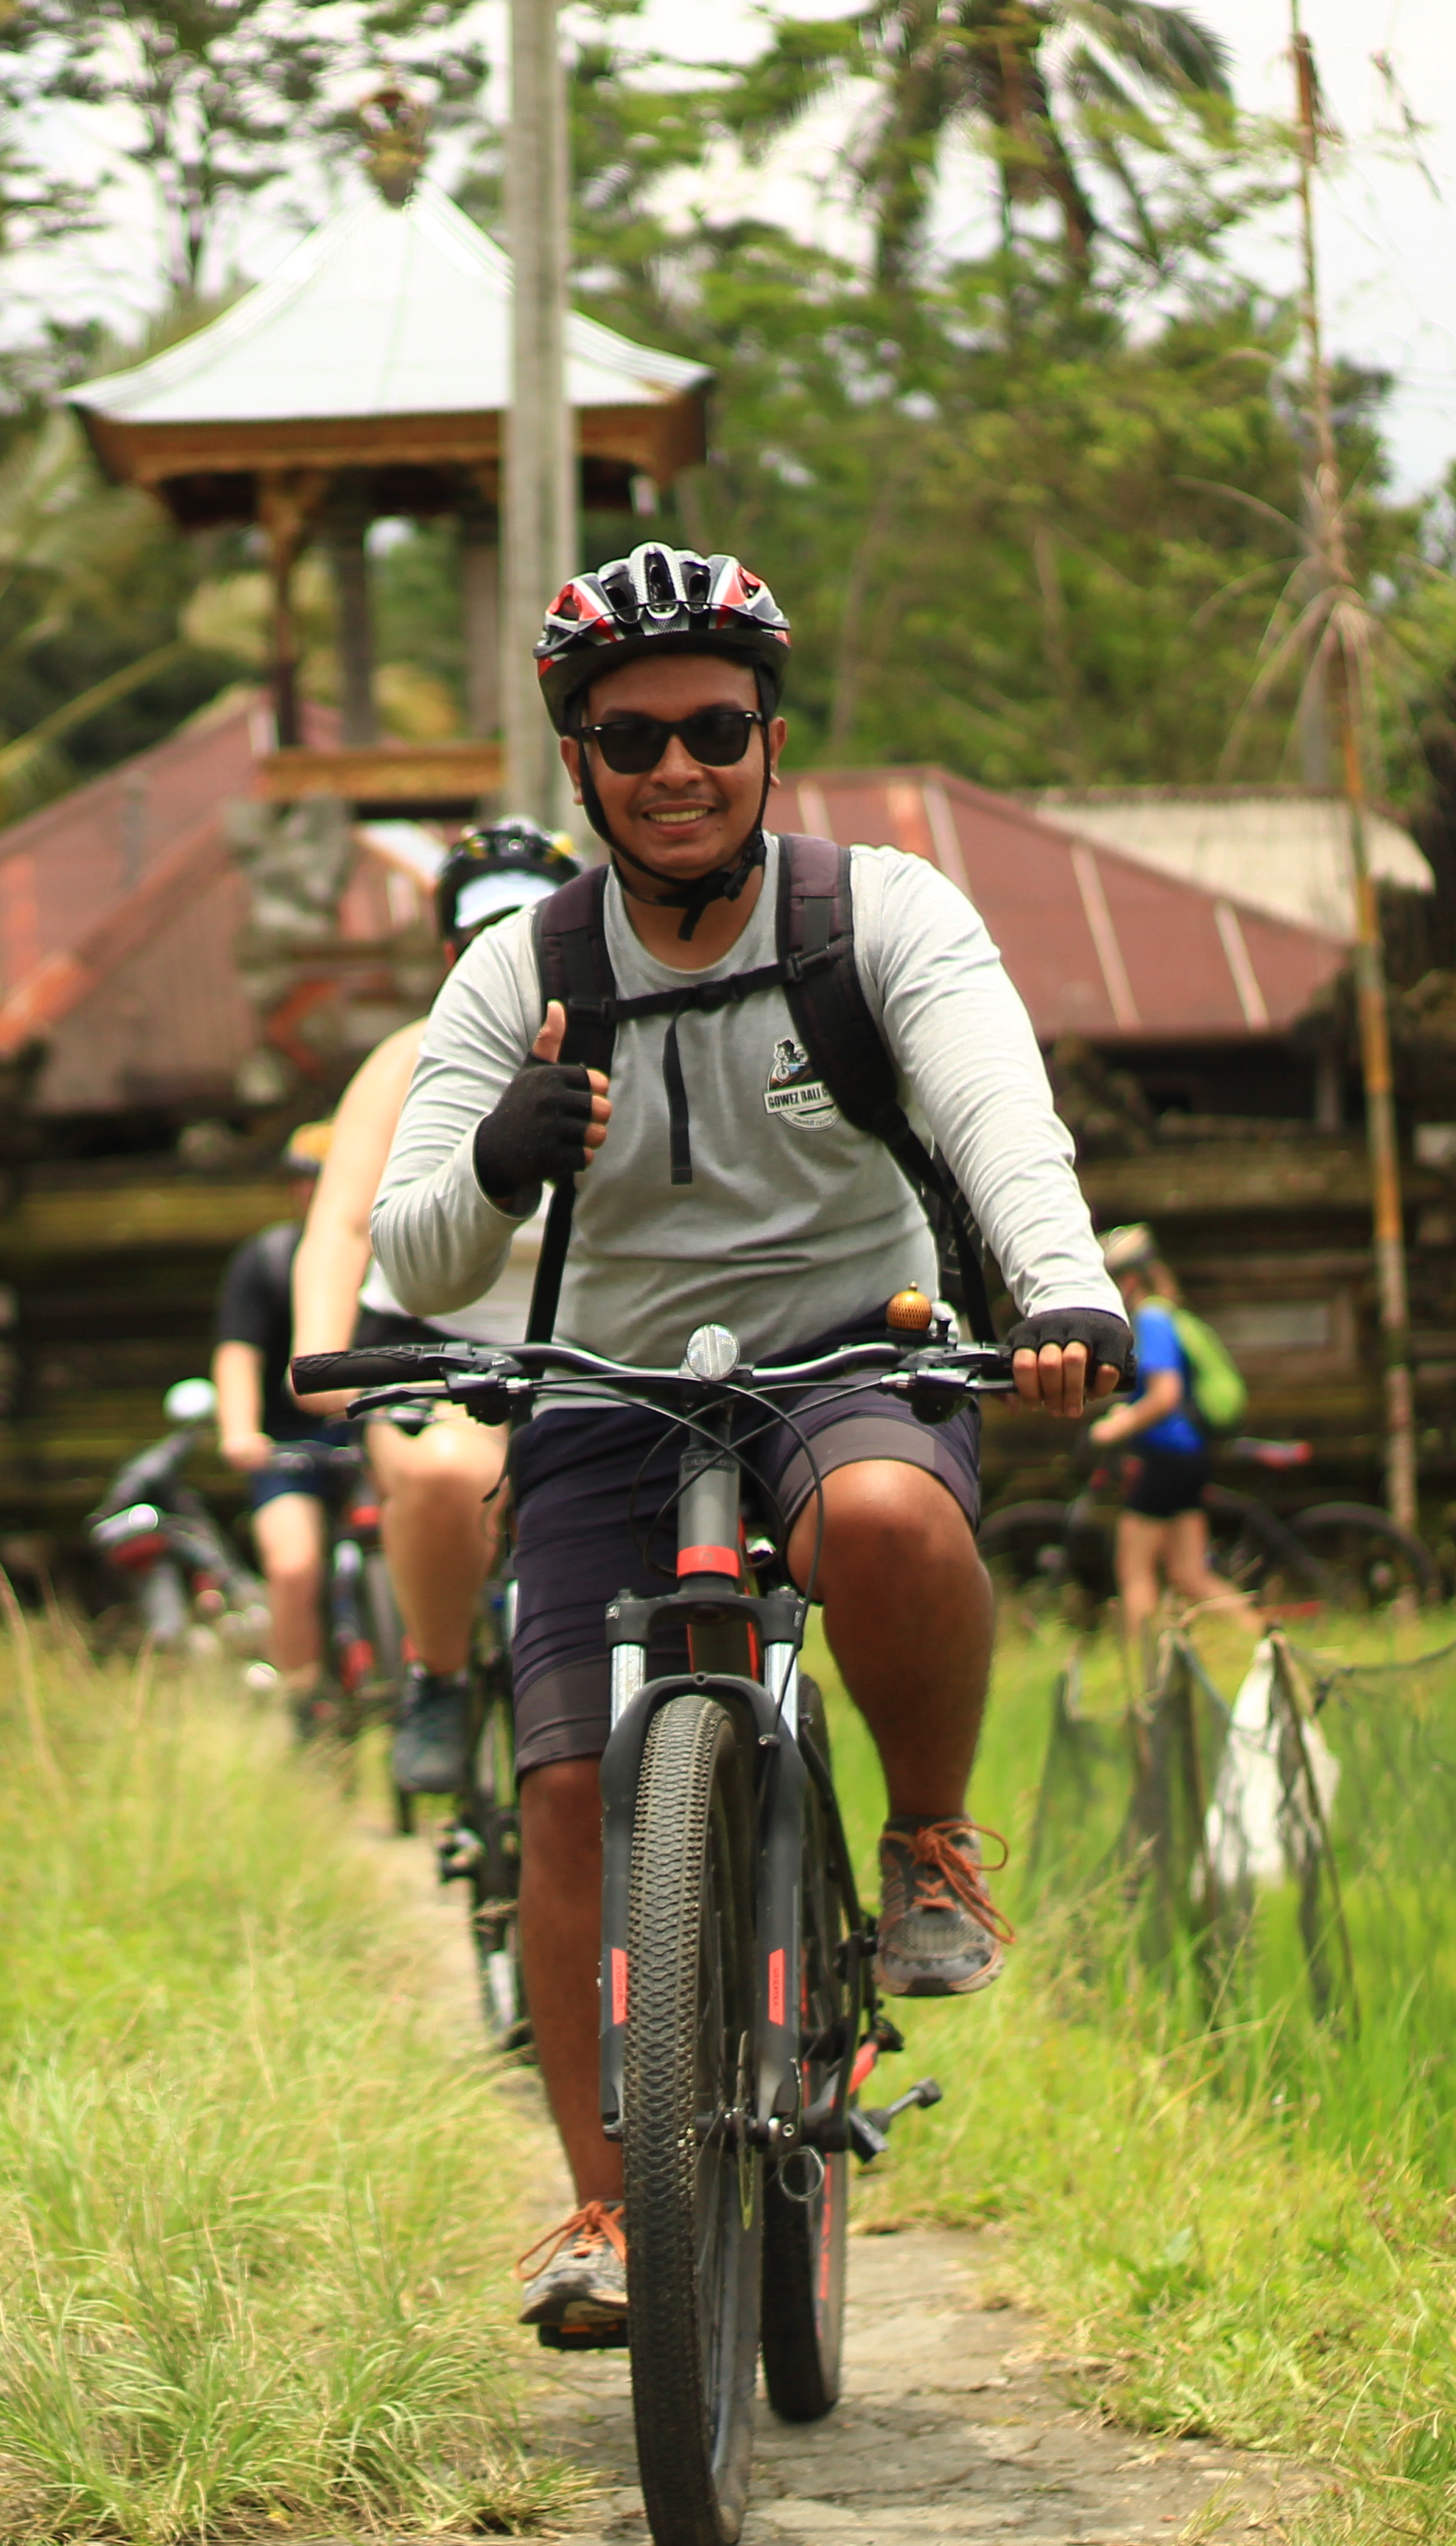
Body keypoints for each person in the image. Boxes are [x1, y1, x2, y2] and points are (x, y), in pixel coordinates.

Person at [366, 543, 1129, 2337]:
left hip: (843, 1349)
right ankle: (602, 2211)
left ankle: (928, 1837)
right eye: (632, 740)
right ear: (579, 768)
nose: (677, 769)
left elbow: (999, 1116)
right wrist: (492, 1158)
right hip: (601, 1388)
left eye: (715, 727)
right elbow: (414, 1252)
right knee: (562, 1786)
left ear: (770, 738)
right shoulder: (515, 970)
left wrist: (1060, 1291)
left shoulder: (879, 917)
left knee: (876, 1515)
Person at [291, 822, 580, 1796]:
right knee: (448, 1478)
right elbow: (341, 1226)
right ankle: (441, 1676)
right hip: (433, 1345)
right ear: (451, 951)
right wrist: (317, 1354)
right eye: (482, 934)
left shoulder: (633, 1042)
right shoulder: (407, 1060)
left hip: (591, 1339)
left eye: (527, 931)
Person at [211, 1126, 347, 1702]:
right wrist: (241, 1432)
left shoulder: (395, 1256)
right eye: (306, 1181)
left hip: (380, 1434)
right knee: (292, 1568)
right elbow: (238, 1355)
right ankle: (302, 1701)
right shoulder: (265, 1262)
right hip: (291, 1448)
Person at [1083, 1225, 1260, 1664]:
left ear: (1127, 1281)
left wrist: (1117, 1426)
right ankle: (1265, 1642)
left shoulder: (1153, 1319)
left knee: (1135, 1571)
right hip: (1189, 1456)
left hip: (1164, 1457)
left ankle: (1143, 1671)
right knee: (1189, 1573)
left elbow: (1165, 1394)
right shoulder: (1170, 1313)